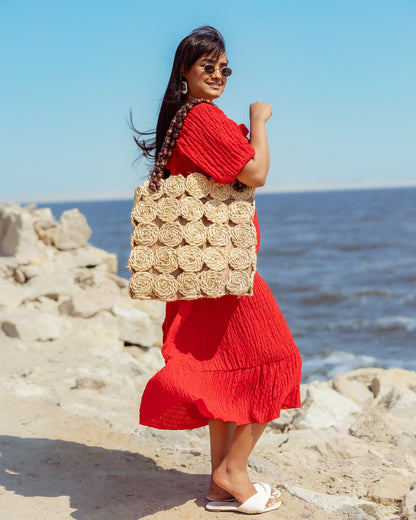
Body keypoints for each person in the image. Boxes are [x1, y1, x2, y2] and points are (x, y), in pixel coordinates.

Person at [132, 26, 302, 515]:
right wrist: (259, 120)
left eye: (225, 67)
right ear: (184, 70)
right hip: (223, 273)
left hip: (204, 272)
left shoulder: (183, 121)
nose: (219, 74)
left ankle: (217, 487)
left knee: (222, 373)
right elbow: (256, 174)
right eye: (208, 66)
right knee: (279, 359)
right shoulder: (202, 118)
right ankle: (234, 471)